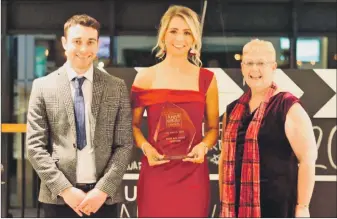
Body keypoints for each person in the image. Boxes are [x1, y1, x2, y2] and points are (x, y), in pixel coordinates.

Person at [26, 14, 133, 218]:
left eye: (90, 42)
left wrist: (102, 190)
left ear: (97, 44)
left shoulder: (116, 87)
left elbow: (124, 144)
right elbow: (34, 147)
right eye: (77, 41)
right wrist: (66, 190)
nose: (84, 49)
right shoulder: (42, 87)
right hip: (58, 199)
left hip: (104, 199)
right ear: (65, 43)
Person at [131, 5, 219, 217]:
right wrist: (146, 148)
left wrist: (203, 146)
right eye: (174, 31)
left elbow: (214, 128)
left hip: (193, 176)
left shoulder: (207, 79)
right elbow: (132, 125)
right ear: (163, 35)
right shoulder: (145, 78)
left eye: (187, 32)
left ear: (194, 38)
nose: (180, 38)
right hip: (155, 172)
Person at [219, 39, 317, 218]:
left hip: (277, 208)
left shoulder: (287, 106)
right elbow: (224, 160)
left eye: (261, 63)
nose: (254, 69)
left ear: (273, 67)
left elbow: (308, 159)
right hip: (235, 208)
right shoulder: (232, 110)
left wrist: (303, 207)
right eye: (249, 63)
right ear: (242, 67)